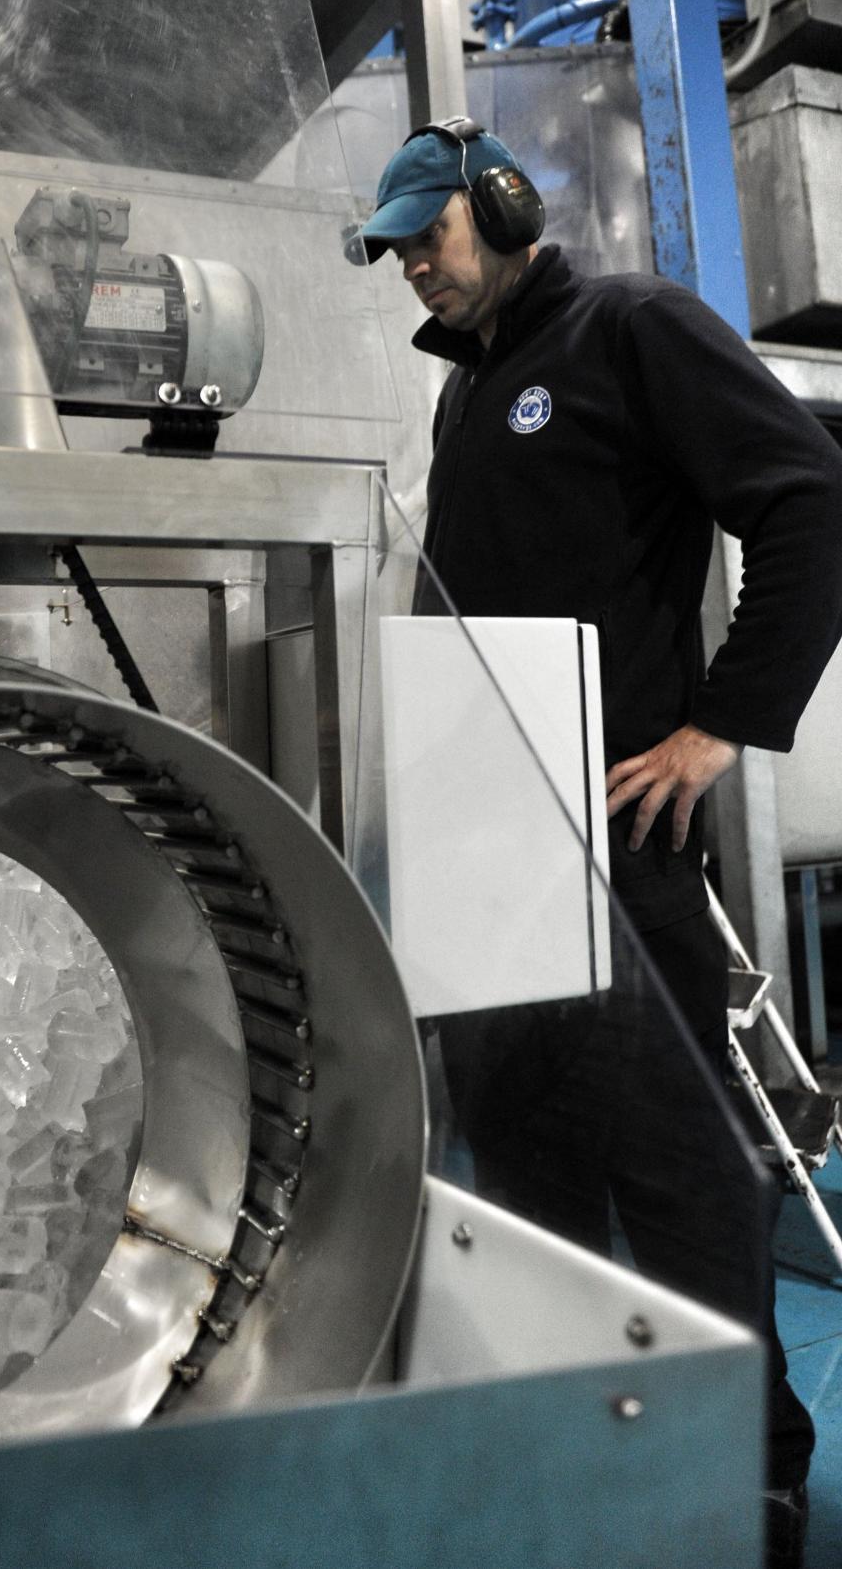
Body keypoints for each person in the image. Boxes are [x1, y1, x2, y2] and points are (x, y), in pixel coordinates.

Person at [354, 119, 842, 1569]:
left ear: (503, 204)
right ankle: (586, 1440)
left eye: (427, 236)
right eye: (393, 252)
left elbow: (810, 495)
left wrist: (724, 725)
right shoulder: (470, 399)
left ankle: (747, 1464)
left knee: (683, 1175)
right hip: (487, 856)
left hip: (621, 850)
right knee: (531, 1172)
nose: (412, 270)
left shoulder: (632, 329)